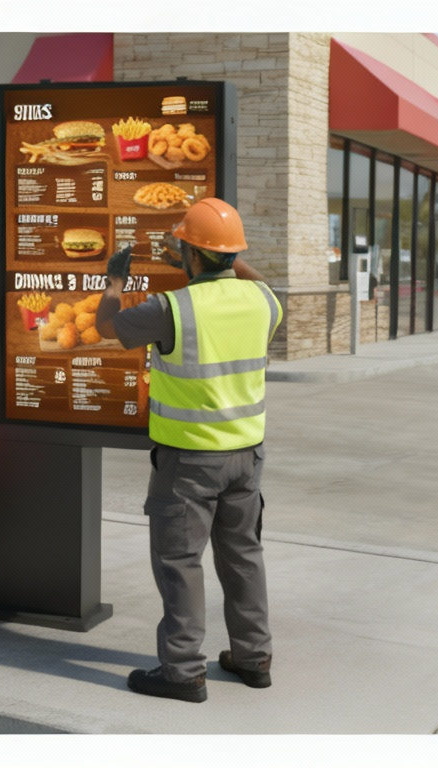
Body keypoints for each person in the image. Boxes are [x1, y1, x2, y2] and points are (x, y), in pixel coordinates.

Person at [95, 198, 283, 703]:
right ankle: (253, 658)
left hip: (189, 463)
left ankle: (182, 671)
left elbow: (107, 328)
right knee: (243, 555)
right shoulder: (263, 301)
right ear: (232, 255)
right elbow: (257, 279)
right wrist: (211, 249)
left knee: (179, 563)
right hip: (247, 458)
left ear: (190, 255)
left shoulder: (172, 307)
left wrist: (113, 284)